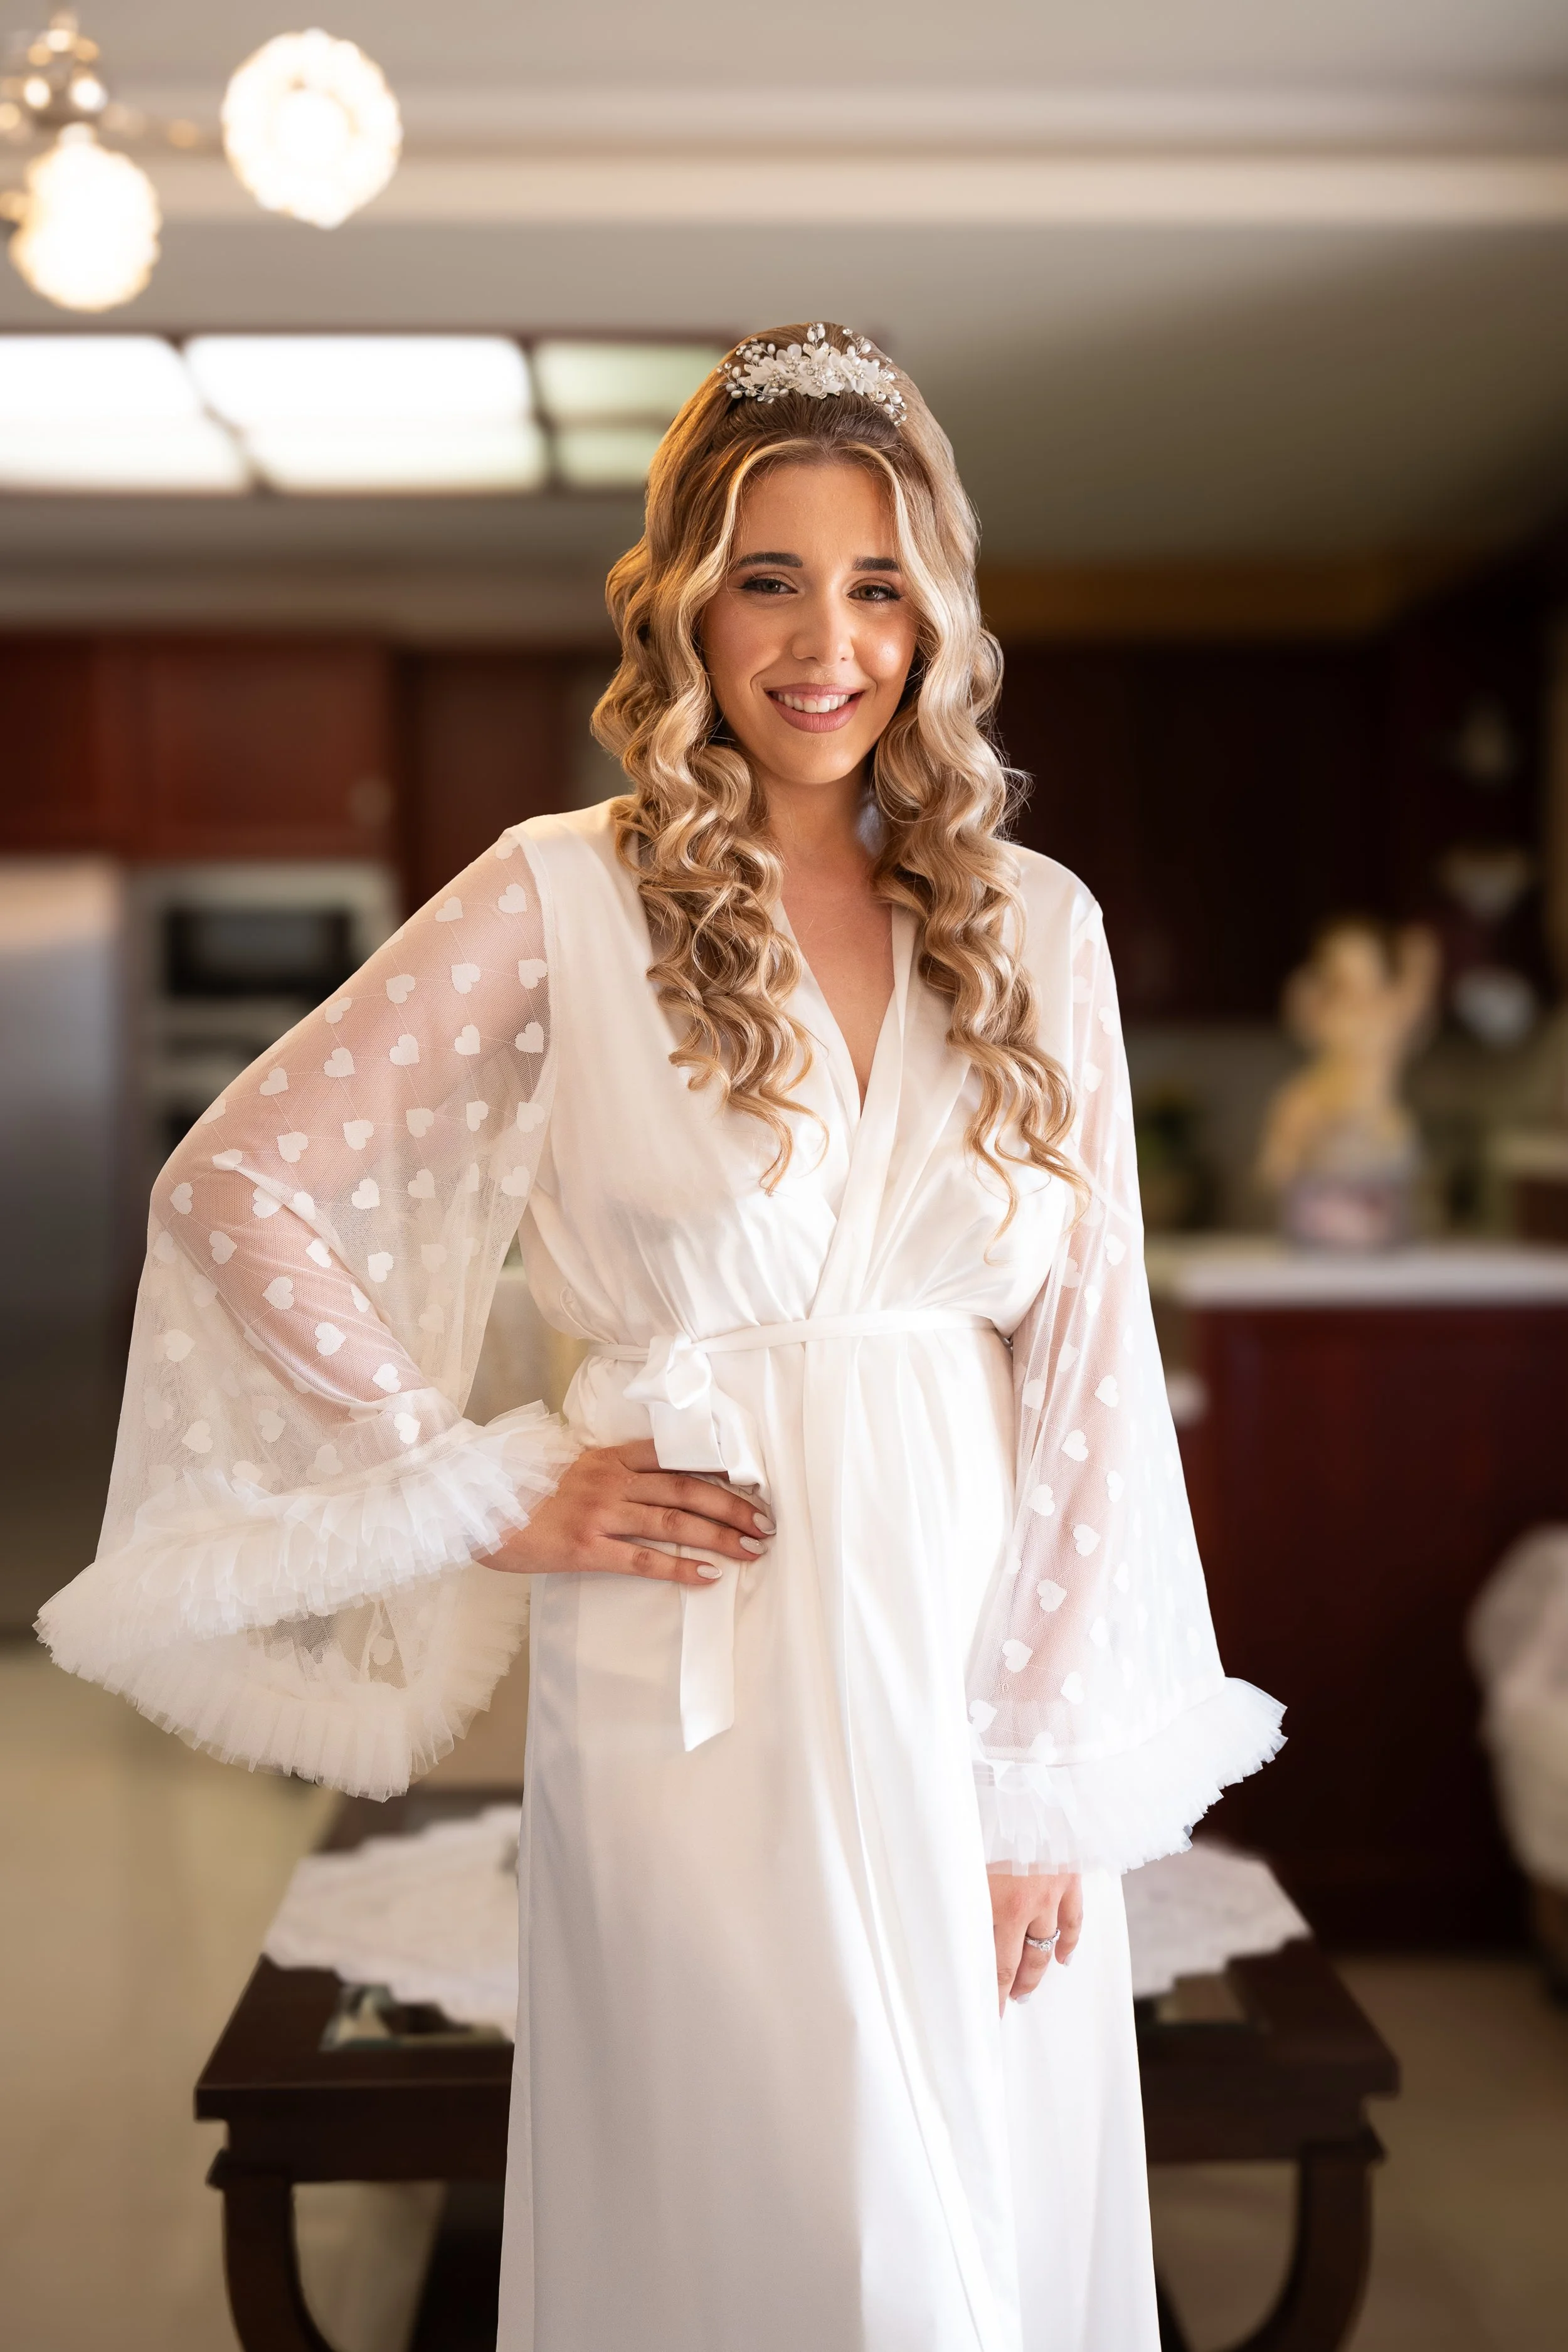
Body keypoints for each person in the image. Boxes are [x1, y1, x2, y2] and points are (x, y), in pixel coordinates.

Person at [40, 323, 1283, 2351]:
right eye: (767, 576)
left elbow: (1087, 1351)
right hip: (689, 1678)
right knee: (760, 2215)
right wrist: (479, 1483)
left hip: (967, 1654)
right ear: (684, 601)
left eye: (878, 582)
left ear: (937, 613)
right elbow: (237, 1188)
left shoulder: (1037, 925)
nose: (824, 641)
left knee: (979, 2195)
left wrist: (1047, 1784)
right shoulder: (557, 900)